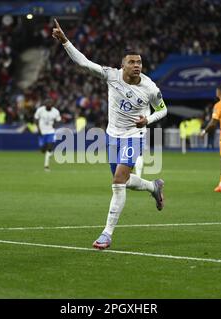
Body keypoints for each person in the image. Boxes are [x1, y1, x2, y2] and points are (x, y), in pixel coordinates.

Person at [52, 19, 167, 250]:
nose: (137, 65)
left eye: (139, 62)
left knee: (117, 182)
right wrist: (65, 41)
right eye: (132, 62)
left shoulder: (150, 88)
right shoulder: (111, 76)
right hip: (112, 135)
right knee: (124, 180)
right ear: (122, 65)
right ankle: (154, 187)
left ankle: (107, 234)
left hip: (135, 135)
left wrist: (149, 119)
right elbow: (84, 63)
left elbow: (163, 109)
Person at [34, 98, 61, 171]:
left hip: (50, 131)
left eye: (50, 104)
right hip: (42, 132)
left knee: (49, 147)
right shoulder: (40, 110)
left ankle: (46, 166)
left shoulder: (55, 111)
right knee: (43, 150)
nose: (49, 105)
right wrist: (38, 129)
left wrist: (55, 125)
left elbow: (58, 120)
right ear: (45, 104)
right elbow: (36, 119)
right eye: (47, 104)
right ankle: (49, 153)